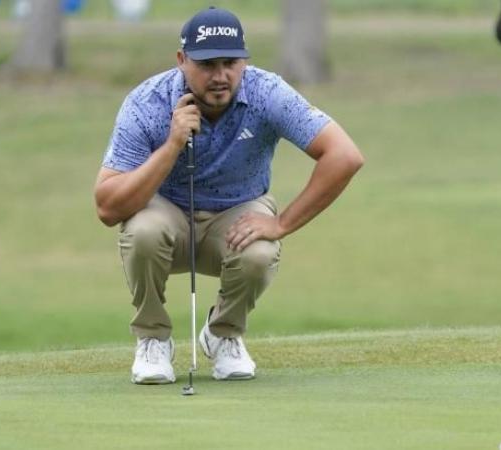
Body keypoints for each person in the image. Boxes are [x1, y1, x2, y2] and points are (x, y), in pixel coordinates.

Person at [94, 7, 364, 384]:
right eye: (207, 64)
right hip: (167, 215)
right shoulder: (148, 103)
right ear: (181, 61)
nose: (220, 76)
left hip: (236, 213)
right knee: (142, 230)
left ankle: (223, 334)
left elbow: (344, 156)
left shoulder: (267, 92)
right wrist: (172, 145)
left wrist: (281, 222)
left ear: (244, 61)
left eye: (230, 62)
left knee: (260, 250)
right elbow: (107, 206)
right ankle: (153, 339)